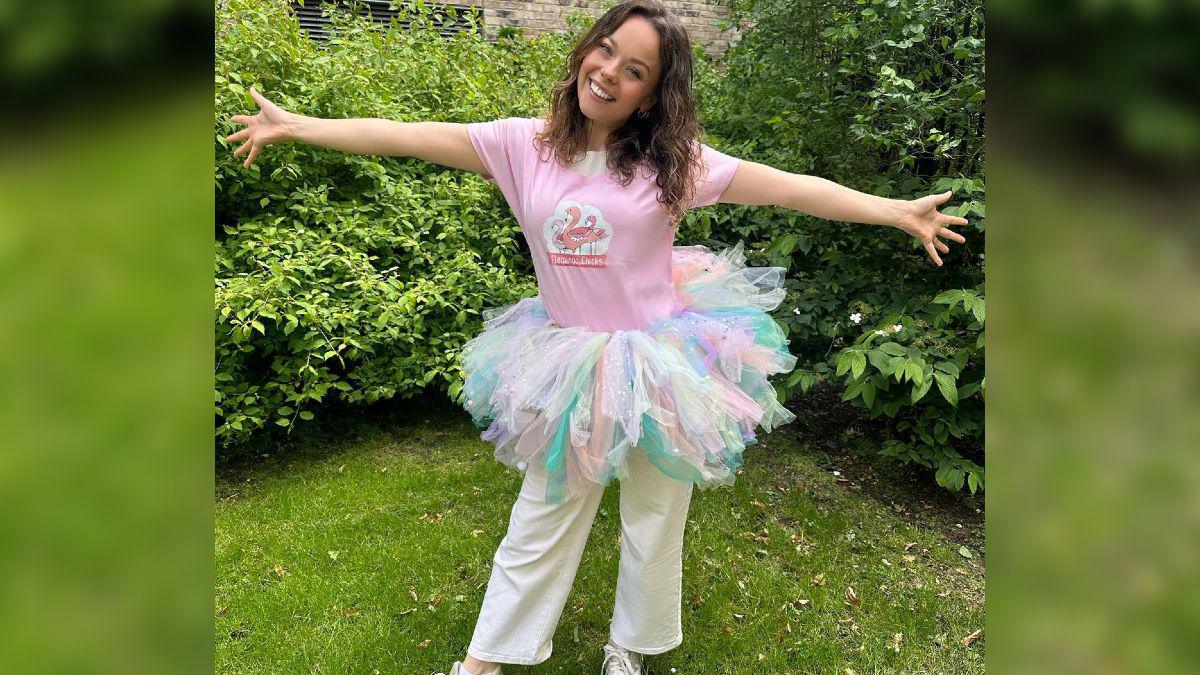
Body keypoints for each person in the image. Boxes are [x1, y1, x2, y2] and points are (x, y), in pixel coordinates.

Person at [224, 2, 968, 673]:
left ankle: (629, 648)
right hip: (568, 361)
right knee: (543, 511)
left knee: (654, 513)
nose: (609, 72)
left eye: (634, 68)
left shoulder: (674, 164)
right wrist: (298, 125)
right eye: (605, 51)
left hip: (662, 360)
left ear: (652, 93)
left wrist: (894, 210)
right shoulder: (524, 146)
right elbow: (409, 136)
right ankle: (485, 660)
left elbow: (788, 185)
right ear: (585, 49)